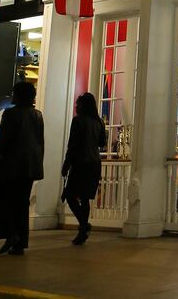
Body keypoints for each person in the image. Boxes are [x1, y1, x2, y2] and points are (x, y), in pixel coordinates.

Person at [0, 81, 44, 256]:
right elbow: (40, 142)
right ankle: (20, 242)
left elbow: (2, 141)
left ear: (18, 95)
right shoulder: (37, 115)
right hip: (29, 165)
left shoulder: (11, 114)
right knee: (21, 203)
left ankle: (11, 233)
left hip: (11, 165)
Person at [61, 93, 106, 245]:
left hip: (81, 162)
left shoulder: (78, 121)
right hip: (94, 162)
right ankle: (83, 229)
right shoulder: (99, 122)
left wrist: (66, 165)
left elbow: (72, 146)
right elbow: (102, 143)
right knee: (85, 198)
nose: (76, 106)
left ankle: (84, 225)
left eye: (78, 104)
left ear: (83, 106)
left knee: (70, 195)